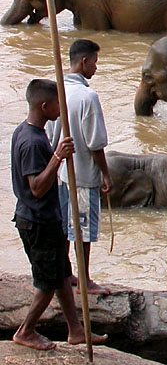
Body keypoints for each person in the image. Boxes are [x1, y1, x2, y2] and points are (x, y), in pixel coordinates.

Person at [11, 78, 108, 350]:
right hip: (37, 221)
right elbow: (38, 188)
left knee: (63, 275)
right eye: (58, 104)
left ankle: (76, 330)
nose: (62, 110)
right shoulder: (32, 142)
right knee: (48, 283)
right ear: (44, 107)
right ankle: (25, 331)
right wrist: (58, 157)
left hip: (47, 218)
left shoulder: (29, 131)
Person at [47, 39, 112, 295]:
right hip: (83, 174)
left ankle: (65, 273)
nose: (96, 67)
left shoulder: (57, 90)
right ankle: (84, 280)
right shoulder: (87, 96)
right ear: (84, 61)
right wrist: (105, 174)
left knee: (65, 226)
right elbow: (95, 143)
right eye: (95, 61)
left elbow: (50, 132)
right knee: (82, 230)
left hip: (61, 172)